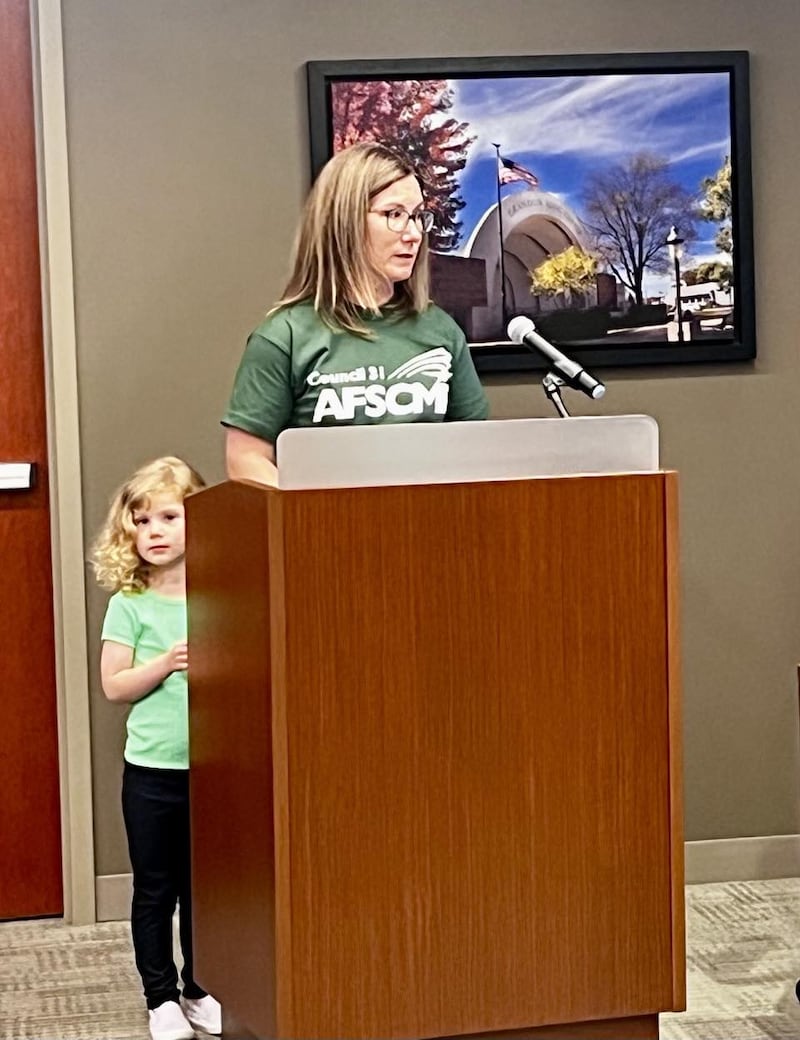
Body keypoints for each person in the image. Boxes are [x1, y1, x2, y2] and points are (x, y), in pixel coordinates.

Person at [223, 140, 489, 484]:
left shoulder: (440, 329)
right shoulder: (284, 336)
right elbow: (246, 460)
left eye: (418, 217)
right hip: (323, 531)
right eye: (394, 215)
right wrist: (313, 518)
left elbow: (477, 451)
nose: (413, 235)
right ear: (344, 221)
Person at [91, 457, 221, 1040]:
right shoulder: (131, 604)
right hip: (152, 773)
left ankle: (199, 989)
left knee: (207, 888)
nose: (156, 532)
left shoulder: (222, 590)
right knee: (156, 886)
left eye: (169, 516)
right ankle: (160, 996)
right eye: (142, 522)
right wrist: (165, 663)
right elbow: (114, 686)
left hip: (215, 769)